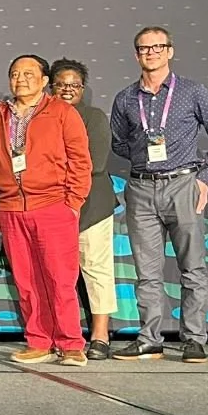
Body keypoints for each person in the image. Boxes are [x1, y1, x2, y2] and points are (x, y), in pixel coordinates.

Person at [110, 27, 208, 364]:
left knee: (192, 268)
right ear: (136, 54)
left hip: (183, 184)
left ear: (170, 51)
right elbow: (119, 142)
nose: (151, 52)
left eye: (157, 46)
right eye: (144, 48)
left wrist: (204, 178)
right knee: (146, 272)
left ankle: (194, 339)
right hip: (141, 187)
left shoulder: (193, 92)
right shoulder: (124, 98)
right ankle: (149, 339)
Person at [0, 55, 92, 365]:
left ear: (45, 81)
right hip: (11, 209)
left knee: (60, 278)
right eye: (15, 73)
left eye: (29, 74)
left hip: (53, 206)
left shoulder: (62, 113)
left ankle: (71, 343)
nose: (21, 79)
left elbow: (80, 161)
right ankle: (39, 341)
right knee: (27, 281)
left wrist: (72, 203)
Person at [51, 59, 118, 361]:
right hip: (53, 207)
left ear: (83, 88)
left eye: (74, 85)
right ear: (50, 87)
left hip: (92, 206)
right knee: (58, 275)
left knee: (96, 268)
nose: (67, 90)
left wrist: (51, 171)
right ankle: (66, 333)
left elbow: (97, 163)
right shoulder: (42, 117)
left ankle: (100, 334)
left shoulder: (93, 117)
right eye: (61, 84)